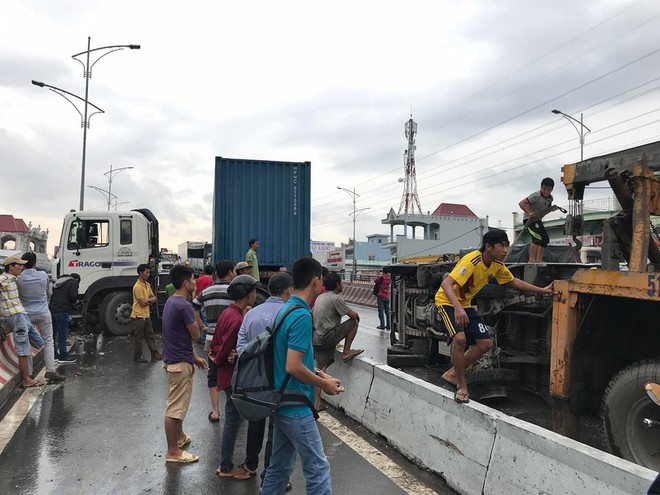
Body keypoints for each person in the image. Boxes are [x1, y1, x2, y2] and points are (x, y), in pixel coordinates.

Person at [436, 229, 553, 404]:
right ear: (489, 247)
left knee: (485, 343)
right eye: (502, 246)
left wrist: (542, 290)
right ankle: (461, 385)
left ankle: (452, 373)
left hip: (465, 305)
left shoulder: (497, 265)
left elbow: (513, 281)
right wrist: (458, 308)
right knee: (459, 339)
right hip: (447, 302)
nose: (506, 250)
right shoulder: (472, 260)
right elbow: (447, 283)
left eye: (507, 246)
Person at [261, 257, 345, 495]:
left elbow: (298, 361)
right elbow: (293, 366)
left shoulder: (287, 308)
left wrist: (322, 375)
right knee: (318, 469)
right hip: (296, 407)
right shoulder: (300, 316)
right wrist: (323, 385)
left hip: (283, 402)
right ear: (316, 281)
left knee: (278, 468)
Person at [235, 272, 294, 491]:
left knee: (255, 421)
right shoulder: (291, 313)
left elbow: (241, 347)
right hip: (281, 381)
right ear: (288, 290)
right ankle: (268, 477)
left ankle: (250, 464)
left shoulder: (252, 314)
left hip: (254, 379)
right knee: (276, 430)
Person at [211, 274, 258, 481]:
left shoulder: (227, 313)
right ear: (248, 295)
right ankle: (226, 466)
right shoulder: (238, 320)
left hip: (226, 375)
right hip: (233, 377)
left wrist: (220, 355)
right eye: (254, 291)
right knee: (232, 422)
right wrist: (225, 358)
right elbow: (224, 351)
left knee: (232, 421)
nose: (256, 295)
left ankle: (226, 464)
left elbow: (215, 343)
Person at [162, 264, 208, 463]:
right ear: (185, 283)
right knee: (175, 409)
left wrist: (194, 357)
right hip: (179, 363)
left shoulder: (171, 301)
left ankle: (179, 438)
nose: (196, 282)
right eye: (193, 279)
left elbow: (178, 335)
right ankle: (173, 452)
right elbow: (196, 335)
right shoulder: (184, 306)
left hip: (176, 357)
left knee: (178, 406)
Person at [191, 260, 235, 423]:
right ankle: (234, 408)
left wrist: (202, 325)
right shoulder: (233, 291)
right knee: (233, 373)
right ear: (230, 272)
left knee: (214, 374)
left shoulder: (207, 290)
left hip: (211, 339)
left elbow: (194, 306)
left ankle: (215, 412)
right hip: (231, 339)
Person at [17, 252, 65, 382]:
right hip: (43, 312)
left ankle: (30, 374)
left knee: (26, 343)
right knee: (48, 340)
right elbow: (47, 291)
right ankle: (50, 370)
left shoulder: (19, 279)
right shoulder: (43, 276)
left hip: (26, 314)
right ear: (35, 263)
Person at [0, 256, 45, 388]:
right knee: (23, 348)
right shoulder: (4, 278)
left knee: (39, 341)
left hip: (22, 316)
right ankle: (27, 379)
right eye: (19, 265)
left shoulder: (14, 279)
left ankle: (9, 329)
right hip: (16, 317)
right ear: (11, 267)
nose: (22, 267)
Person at [519, 177, 560, 263]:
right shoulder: (535, 196)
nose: (546, 192)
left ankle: (539, 259)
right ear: (541, 187)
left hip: (537, 220)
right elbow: (522, 203)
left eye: (548, 190)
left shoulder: (550, 199)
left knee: (545, 239)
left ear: (552, 190)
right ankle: (531, 259)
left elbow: (545, 210)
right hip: (529, 220)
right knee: (537, 238)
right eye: (544, 189)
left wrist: (552, 209)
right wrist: (529, 212)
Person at [131, 264, 161, 363]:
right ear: (140, 273)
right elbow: (142, 303)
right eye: (146, 272)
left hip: (146, 315)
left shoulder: (147, 285)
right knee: (139, 338)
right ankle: (137, 356)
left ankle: (155, 354)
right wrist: (150, 300)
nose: (148, 274)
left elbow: (154, 297)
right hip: (138, 315)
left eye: (149, 272)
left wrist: (148, 300)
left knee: (150, 335)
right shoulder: (137, 287)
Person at [49, 273, 80, 364]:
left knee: (53, 334)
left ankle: (54, 354)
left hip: (52, 309)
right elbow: (73, 296)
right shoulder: (73, 281)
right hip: (62, 310)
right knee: (62, 333)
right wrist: (75, 302)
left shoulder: (58, 282)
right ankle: (63, 355)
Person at [195, 264, 215, 344]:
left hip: (198, 301)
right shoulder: (210, 281)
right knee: (206, 320)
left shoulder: (199, 279)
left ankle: (200, 336)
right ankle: (203, 338)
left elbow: (195, 290)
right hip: (206, 302)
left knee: (200, 320)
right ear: (212, 272)